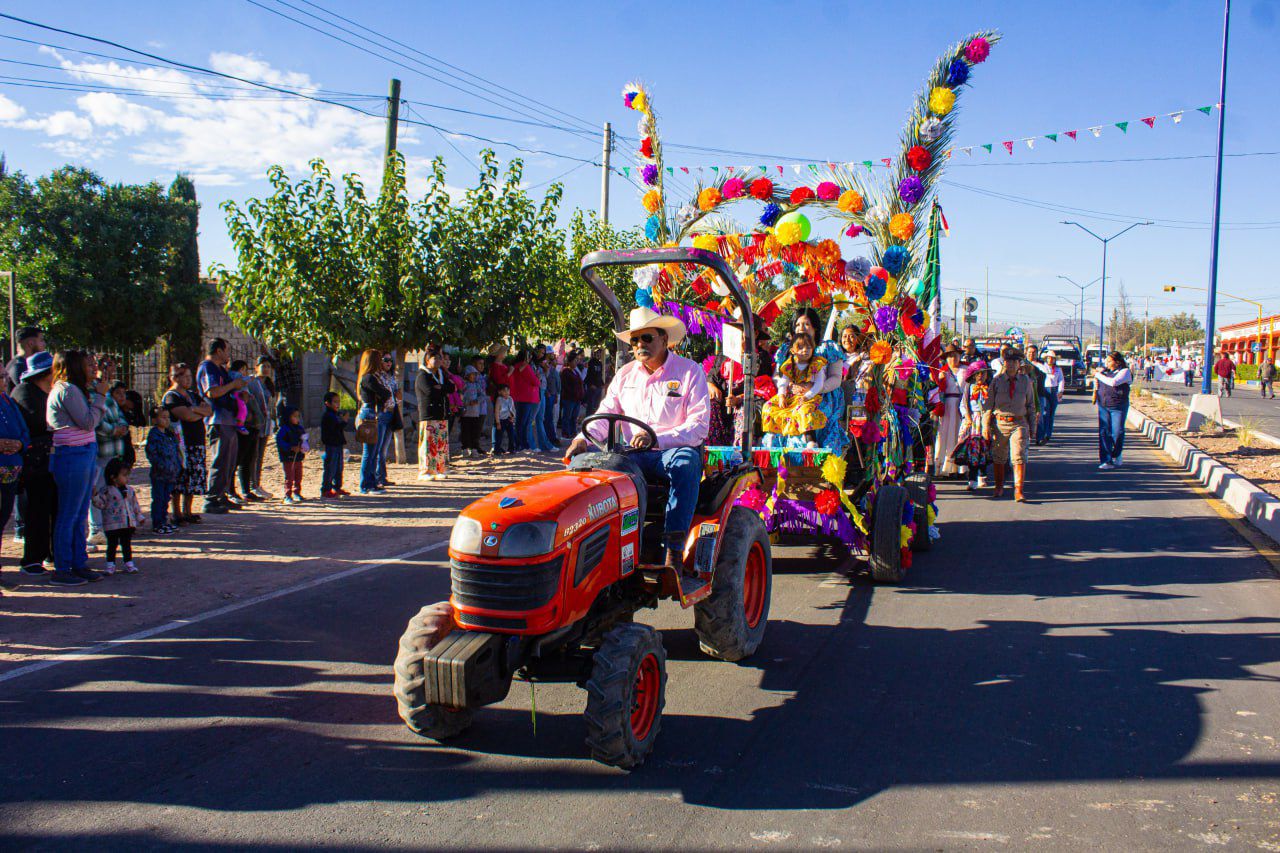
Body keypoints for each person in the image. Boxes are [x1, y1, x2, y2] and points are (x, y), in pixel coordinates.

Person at [565, 306, 709, 572]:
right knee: (584, 467)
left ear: (664, 339)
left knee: (686, 463)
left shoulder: (689, 371)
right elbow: (606, 412)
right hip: (631, 454)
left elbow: (698, 426)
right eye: (635, 340)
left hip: (671, 451)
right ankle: (597, 547)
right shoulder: (625, 375)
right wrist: (583, 438)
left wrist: (657, 438)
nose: (640, 344)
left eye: (647, 338)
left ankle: (674, 550)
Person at [46, 351, 107, 586]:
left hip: (83, 453)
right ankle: (62, 568)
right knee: (69, 514)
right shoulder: (67, 390)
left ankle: (78, 563)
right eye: (87, 365)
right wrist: (101, 397)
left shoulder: (75, 389)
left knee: (80, 513)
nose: (93, 369)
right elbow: (88, 422)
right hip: (72, 455)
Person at [13, 352, 56, 579]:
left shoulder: (47, 392)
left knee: (52, 507)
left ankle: (51, 552)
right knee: (37, 510)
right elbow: (39, 423)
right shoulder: (25, 392)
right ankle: (32, 559)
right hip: (34, 463)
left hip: (49, 461)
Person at [196, 338, 247, 514]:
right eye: (227, 350)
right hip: (217, 420)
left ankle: (222, 495)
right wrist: (233, 385)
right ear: (218, 351)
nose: (228, 355)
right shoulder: (208, 367)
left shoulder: (220, 369)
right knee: (220, 460)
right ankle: (211, 499)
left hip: (229, 419)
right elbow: (212, 392)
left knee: (229, 461)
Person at [982, 348, 1036, 501]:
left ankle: (1018, 490)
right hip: (1000, 423)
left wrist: (1033, 426)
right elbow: (988, 406)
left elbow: (1031, 405)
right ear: (1004, 363)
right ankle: (999, 487)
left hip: (1019, 423)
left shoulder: (1026, 381)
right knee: (999, 456)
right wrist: (985, 425)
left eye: (1014, 361)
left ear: (1019, 364)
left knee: (1019, 455)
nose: (1011, 364)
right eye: (1008, 361)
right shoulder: (997, 381)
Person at [162, 363, 212, 525]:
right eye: (184, 376)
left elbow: (208, 410)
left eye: (190, 376)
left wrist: (194, 410)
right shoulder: (171, 396)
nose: (188, 379)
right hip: (181, 444)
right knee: (180, 479)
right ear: (174, 377)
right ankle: (177, 513)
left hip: (197, 442)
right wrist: (197, 412)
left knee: (192, 478)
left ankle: (188, 511)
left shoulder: (192, 395)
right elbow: (186, 416)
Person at [761, 331, 827, 448]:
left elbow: (819, 384)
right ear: (793, 350)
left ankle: (810, 440)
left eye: (808, 347)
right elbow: (783, 382)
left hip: (807, 397)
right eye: (800, 347)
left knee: (805, 411)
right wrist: (781, 396)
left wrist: (807, 396)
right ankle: (772, 435)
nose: (805, 350)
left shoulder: (816, 364)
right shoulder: (790, 364)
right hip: (791, 397)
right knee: (769, 406)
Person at [89, 369, 131, 544]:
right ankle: (96, 528)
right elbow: (95, 422)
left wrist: (122, 426)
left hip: (115, 451)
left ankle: (113, 526)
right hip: (101, 450)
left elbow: (119, 415)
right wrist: (113, 430)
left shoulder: (105, 393)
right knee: (97, 491)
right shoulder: (89, 394)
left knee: (112, 491)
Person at [0, 375, 28, 592]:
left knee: (2, 517)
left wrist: (19, 444)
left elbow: (24, 432)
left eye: (4, 376)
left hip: (11, 469)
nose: (4, 380)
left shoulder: (7, 401)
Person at [92, 457, 142, 575]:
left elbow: (134, 505)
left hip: (127, 523)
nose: (127, 478)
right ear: (113, 477)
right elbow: (100, 504)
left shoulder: (129, 490)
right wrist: (94, 495)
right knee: (112, 545)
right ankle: (110, 564)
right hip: (112, 525)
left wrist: (139, 516)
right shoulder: (106, 491)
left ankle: (129, 563)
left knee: (126, 545)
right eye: (124, 475)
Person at [228, 359, 267, 505]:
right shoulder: (237, 384)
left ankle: (246, 490)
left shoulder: (247, 385)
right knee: (238, 460)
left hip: (253, 426)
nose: (244, 372)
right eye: (243, 369)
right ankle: (231, 490)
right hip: (244, 426)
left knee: (248, 460)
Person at [356, 349, 393, 495]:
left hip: (373, 412)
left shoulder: (369, 377)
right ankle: (366, 484)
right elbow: (385, 393)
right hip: (370, 413)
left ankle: (371, 482)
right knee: (369, 452)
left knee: (374, 452)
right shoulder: (369, 378)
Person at [414, 346, 452, 481]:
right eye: (434, 358)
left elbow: (452, 387)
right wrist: (442, 389)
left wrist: (440, 387)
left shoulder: (441, 375)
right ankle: (425, 470)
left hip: (441, 413)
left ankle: (439, 469)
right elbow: (429, 392)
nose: (437, 361)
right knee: (428, 444)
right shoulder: (422, 375)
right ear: (427, 360)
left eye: (439, 358)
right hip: (428, 414)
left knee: (441, 443)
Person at [955, 361, 993, 490]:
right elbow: (963, 405)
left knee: (985, 450)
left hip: (986, 420)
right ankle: (972, 479)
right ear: (974, 375)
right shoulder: (969, 387)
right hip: (973, 422)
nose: (981, 376)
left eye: (983, 373)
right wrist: (967, 417)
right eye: (978, 374)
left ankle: (982, 476)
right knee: (973, 451)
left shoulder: (990, 388)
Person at [144, 407, 182, 535]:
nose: (166, 420)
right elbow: (151, 453)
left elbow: (176, 451)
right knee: (158, 498)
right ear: (155, 419)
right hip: (159, 473)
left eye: (168, 417)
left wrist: (177, 466)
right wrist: (160, 465)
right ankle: (157, 523)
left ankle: (164, 521)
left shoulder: (170, 435)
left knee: (166, 498)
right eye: (163, 417)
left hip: (171, 473)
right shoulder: (154, 435)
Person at [1093, 351, 1132, 470]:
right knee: (1104, 432)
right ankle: (1106, 460)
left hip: (1118, 406)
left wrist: (1098, 375)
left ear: (1117, 362)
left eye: (1109, 361)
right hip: (1103, 405)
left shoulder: (1125, 372)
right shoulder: (1105, 372)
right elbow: (1098, 384)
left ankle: (1117, 453)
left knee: (1117, 432)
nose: (1107, 363)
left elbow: (1114, 382)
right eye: (1106, 361)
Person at [247, 357, 277, 499]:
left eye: (268, 366)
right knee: (252, 456)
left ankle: (257, 484)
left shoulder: (269, 384)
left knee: (260, 456)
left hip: (266, 424)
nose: (266, 369)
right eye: (263, 366)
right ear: (256, 367)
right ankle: (251, 485)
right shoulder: (251, 382)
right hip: (254, 423)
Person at [933, 344, 964, 478]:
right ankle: (943, 467)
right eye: (950, 356)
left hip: (962, 405)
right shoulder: (943, 372)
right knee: (944, 435)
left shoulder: (965, 370)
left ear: (959, 356)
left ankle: (960, 467)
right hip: (947, 406)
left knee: (959, 434)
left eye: (955, 356)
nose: (953, 359)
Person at [507, 350, 540, 452]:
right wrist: (537, 377)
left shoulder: (515, 366)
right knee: (523, 424)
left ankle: (521, 444)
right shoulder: (525, 366)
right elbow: (536, 382)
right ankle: (521, 445)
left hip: (518, 397)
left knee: (520, 423)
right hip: (526, 397)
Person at [378, 353, 402, 487]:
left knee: (384, 448)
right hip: (382, 414)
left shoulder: (391, 376)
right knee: (379, 448)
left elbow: (396, 395)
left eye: (390, 360)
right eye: (386, 360)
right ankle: (378, 477)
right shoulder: (377, 376)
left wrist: (398, 397)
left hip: (391, 413)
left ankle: (382, 476)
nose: (389, 363)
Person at [275, 406, 307, 504]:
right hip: (288, 458)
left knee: (298, 476)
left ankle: (297, 493)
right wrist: (290, 447)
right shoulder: (284, 429)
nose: (297, 418)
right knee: (289, 477)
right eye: (294, 416)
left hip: (298, 457)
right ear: (288, 417)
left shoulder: (300, 428)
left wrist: (303, 445)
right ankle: (287, 495)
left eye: (298, 416)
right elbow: (280, 442)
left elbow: (304, 439)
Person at [320, 391, 348, 499]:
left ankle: (337, 487)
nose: (338, 404)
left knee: (339, 467)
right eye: (335, 402)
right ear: (328, 403)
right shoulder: (328, 416)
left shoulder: (335, 415)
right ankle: (326, 489)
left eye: (338, 401)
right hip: (331, 445)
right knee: (330, 468)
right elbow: (335, 428)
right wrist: (343, 421)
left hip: (338, 444)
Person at [1036, 351, 1066, 444]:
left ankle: (1048, 434)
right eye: (1049, 358)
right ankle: (1043, 433)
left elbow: (1061, 380)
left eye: (1052, 358)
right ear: (1046, 359)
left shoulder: (1058, 369)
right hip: (1044, 389)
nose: (1050, 360)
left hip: (1053, 390)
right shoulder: (1042, 367)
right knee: (1045, 412)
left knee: (1051, 413)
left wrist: (1060, 391)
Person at [459, 366, 487, 458]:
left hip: (475, 413)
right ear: (467, 375)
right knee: (465, 431)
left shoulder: (476, 385)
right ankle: (465, 448)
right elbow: (460, 396)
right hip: (465, 413)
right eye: (472, 374)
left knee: (475, 431)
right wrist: (467, 402)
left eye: (475, 375)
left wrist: (477, 401)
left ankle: (474, 449)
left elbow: (483, 395)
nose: (474, 376)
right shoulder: (464, 385)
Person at [6, 325, 45, 391]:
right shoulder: (18, 366)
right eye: (41, 340)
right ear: (31, 343)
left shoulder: (24, 363)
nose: (44, 344)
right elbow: (30, 391)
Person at [559, 352, 585, 438]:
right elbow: (565, 386)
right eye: (575, 360)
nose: (576, 362)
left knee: (574, 417)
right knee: (567, 417)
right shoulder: (565, 371)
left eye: (577, 360)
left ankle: (573, 432)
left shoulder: (575, 371)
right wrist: (574, 394)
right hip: (569, 399)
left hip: (577, 399)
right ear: (570, 361)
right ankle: (565, 433)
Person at [542, 349, 562, 446]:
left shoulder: (555, 370)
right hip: (549, 395)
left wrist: (557, 395)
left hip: (554, 395)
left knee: (554, 417)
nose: (556, 361)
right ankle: (550, 438)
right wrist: (547, 392)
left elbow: (558, 384)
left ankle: (552, 436)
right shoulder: (547, 369)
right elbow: (544, 382)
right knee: (548, 418)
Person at [491, 384, 518, 455]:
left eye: (508, 390)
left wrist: (513, 417)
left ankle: (511, 449)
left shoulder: (510, 398)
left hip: (509, 419)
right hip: (501, 420)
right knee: (499, 436)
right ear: (499, 392)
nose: (506, 392)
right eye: (504, 391)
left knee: (511, 435)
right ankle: (497, 450)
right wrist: (498, 422)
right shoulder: (499, 399)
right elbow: (496, 412)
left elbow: (513, 409)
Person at [584, 348, 606, 416]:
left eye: (599, 353)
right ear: (594, 354)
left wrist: (602, 384)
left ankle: (595, 419)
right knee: (590, 406)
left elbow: (600, 374)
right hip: (592, 387)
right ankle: (588, 419)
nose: (598, 354)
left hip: (599, 387)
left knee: (596, 406)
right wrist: (590, 384)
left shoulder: (600, 363)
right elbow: (587, 375)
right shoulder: (590, 362)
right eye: (597, 353)